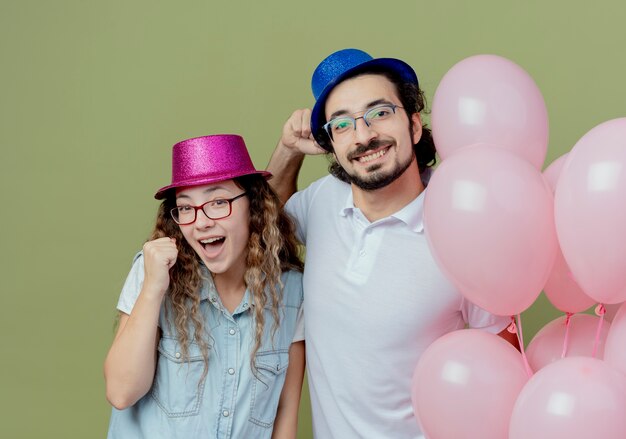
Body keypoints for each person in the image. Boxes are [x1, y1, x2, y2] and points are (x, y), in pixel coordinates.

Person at [267, 48, 517, 439]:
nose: (364, 136)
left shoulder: (463, 231)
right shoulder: (323, 199)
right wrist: (287, 151)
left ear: (415, 126)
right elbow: (265, 228)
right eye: (343, 125)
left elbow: (504, 377)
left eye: (380, 113)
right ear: (331, 146)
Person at [104, 134, 305, 439]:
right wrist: (153, 289)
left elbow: (286, 414)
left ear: (252, 206)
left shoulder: (292, 291)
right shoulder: (153, 274)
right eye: (186, 208)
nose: (201, 223)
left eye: (218, 202)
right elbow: (121, 392)